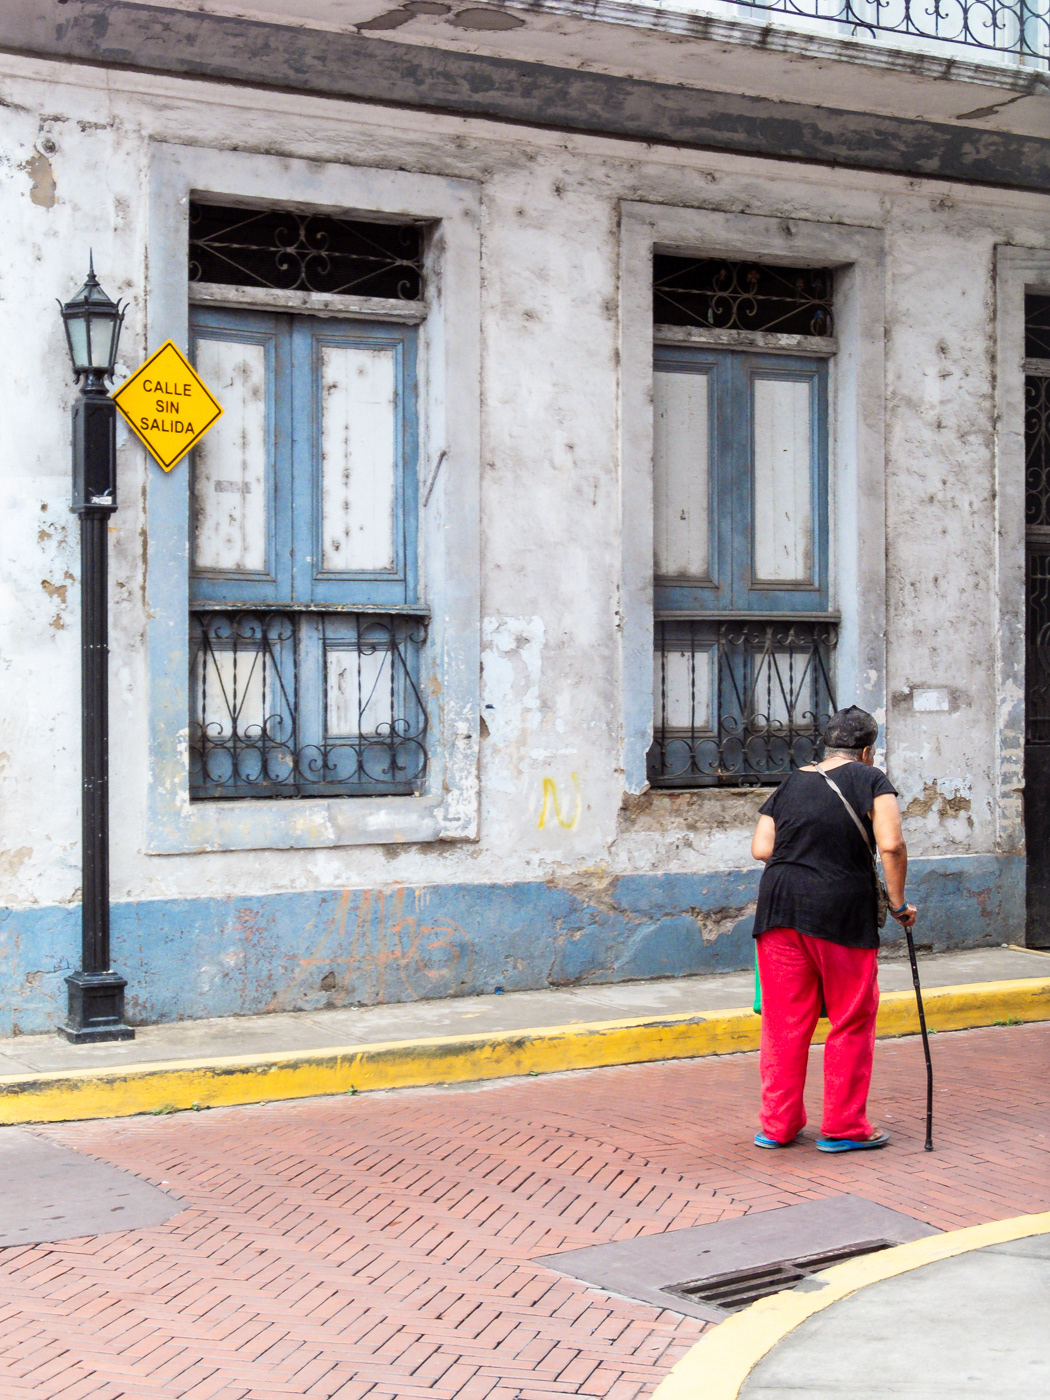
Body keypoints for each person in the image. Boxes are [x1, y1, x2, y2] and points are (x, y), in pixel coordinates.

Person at [749, 705, 917, 1153]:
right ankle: (844, 1126)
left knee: (784, 1023)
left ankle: (778, 1126)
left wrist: (805, 857)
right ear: (866, 751)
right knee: (851, 1017)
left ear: (826, 745)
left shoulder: (792, 781)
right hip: (841, 910)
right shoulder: (872, 779)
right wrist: (898, 904)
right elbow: (891, 844)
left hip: (779, 907)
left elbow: (761, 848)